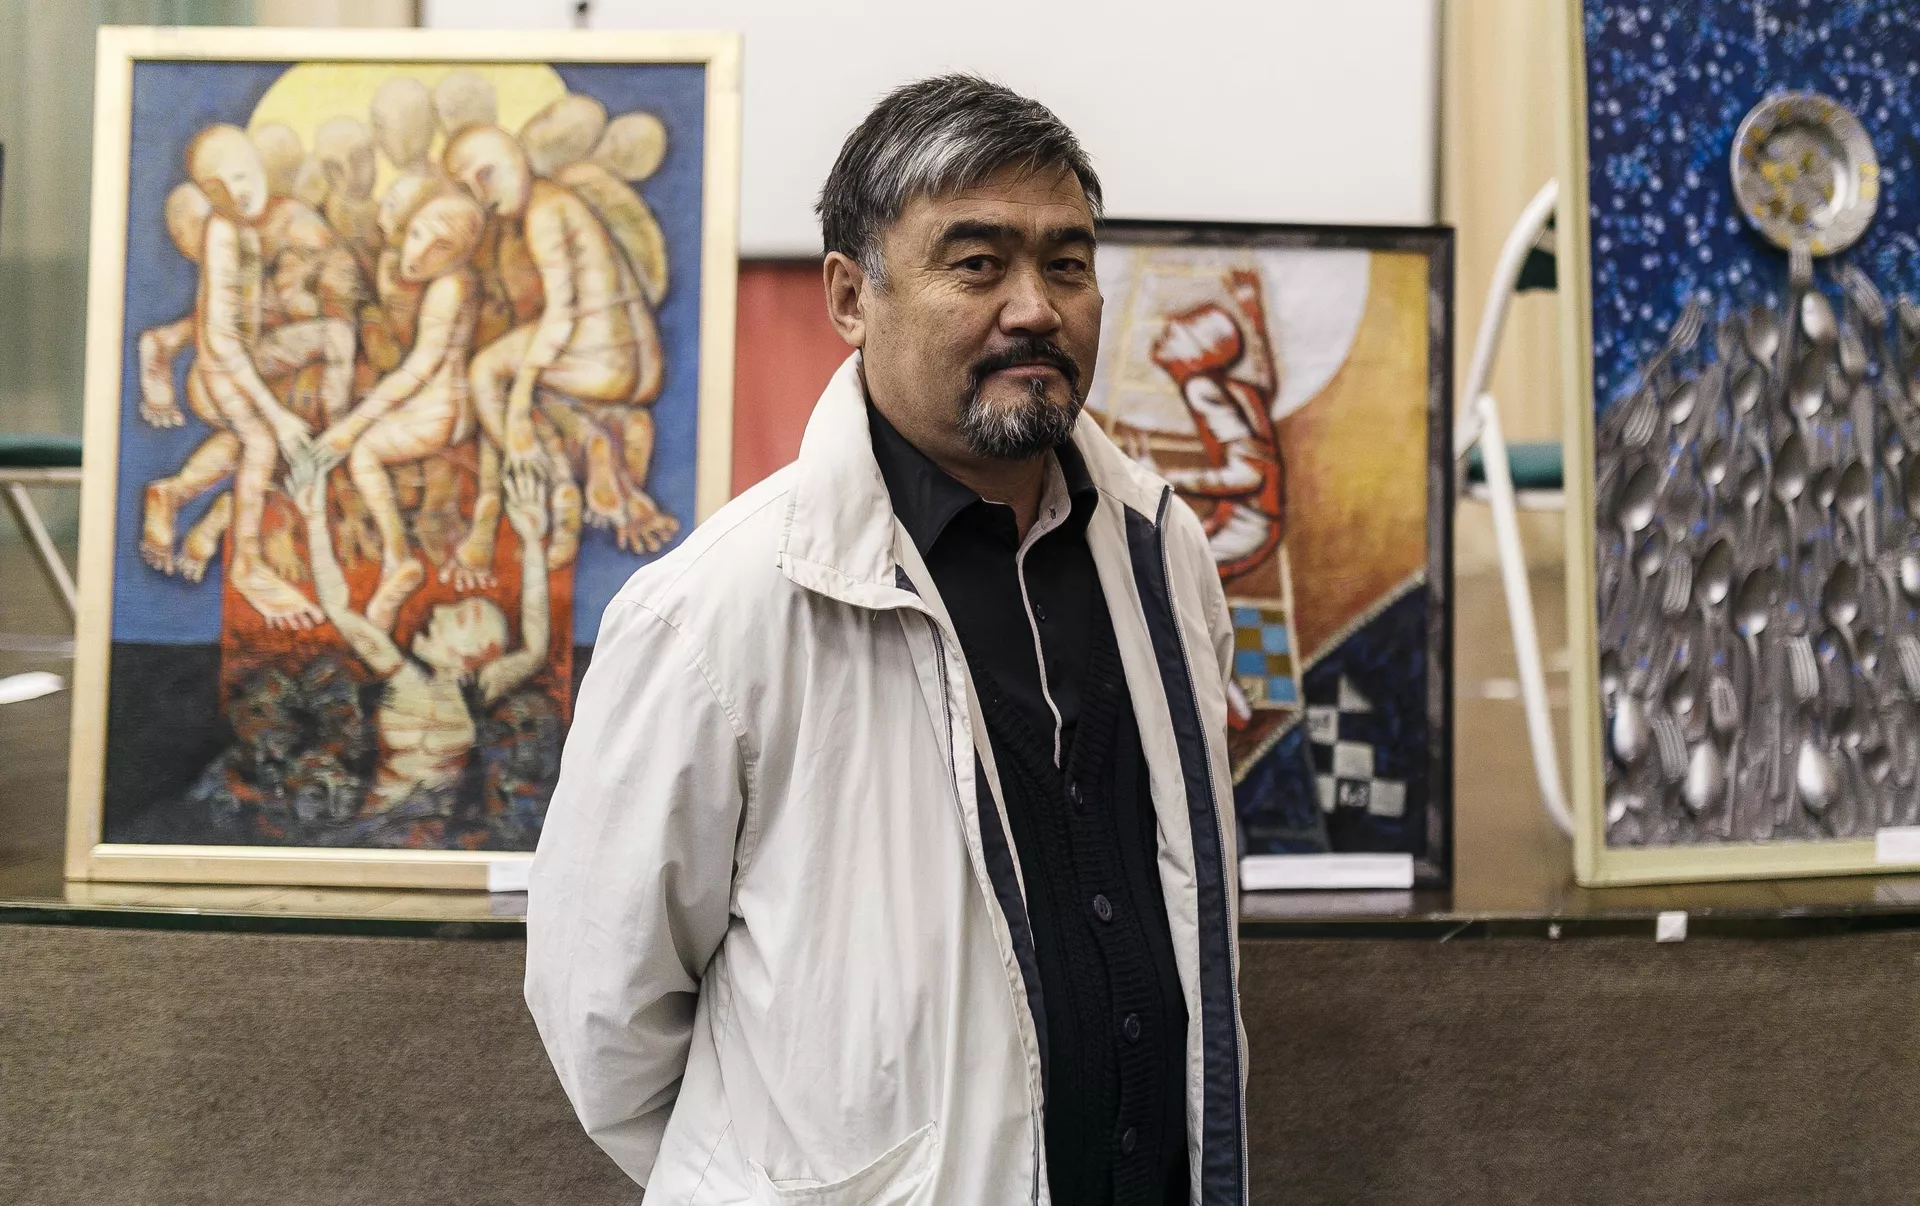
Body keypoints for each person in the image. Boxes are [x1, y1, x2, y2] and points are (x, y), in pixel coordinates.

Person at [526, 76, 1248, 1205]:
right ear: (850, 297)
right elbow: (602, 1010)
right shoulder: (715, 612)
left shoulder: (1165, 551)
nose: (1035, 309)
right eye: (978, 264)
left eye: (1067, 264)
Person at [287, 456, 552, 815]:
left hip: (438, 825)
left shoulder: (478, 690)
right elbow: (338, 609)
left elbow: (535, 649)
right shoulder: (401, 676)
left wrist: (533, 541)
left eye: (460, 618)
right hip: (380, 821)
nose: (437, 612)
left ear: (480, 652)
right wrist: (315, 517)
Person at [304, 192, 486, 630]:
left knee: (363, 451)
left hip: (440, 410)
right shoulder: (456, 281)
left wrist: (352, 427)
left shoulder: (447, 288)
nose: (419, 253)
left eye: (440, 246)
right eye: (418, 234)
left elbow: (421, 367)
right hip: (445, 403)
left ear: (461, 253)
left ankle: (396, 557)